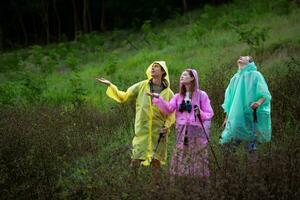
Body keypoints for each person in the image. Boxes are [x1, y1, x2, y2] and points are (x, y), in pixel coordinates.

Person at [96, 61, 175, 185]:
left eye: (157, 67)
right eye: (152, 66)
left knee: (156, 162)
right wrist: (111, 86)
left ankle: (156, 189)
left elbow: (172, 113)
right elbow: (124, 96)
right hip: (142, 131)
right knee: (135, 160)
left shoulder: (169, 93)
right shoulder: (142, 85)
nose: (153, 68)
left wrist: (167, 127)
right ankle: (131, 185)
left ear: (163, 72)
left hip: (158, 132)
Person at [148, 68, 214, 182]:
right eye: (181, 75)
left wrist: (200, 113)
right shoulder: (178, 96)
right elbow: (168, 109)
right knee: (178, 154)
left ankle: (202, 181)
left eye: (185, 75)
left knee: (199, 155)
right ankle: (175, 182)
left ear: (193, 77)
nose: (181, 77)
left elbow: (209, 113)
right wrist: (158, 98)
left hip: (196, 130)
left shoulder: (201, 95)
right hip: (182, 130)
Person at [220, 56, 272, 163]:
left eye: (245, 57)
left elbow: (265, 94)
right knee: (227, 144)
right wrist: (226, 118)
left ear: (250, 62)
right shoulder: (235, 78)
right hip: (236, 117)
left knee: (251, 147)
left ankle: (254, 172)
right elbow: (230, 101)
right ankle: (229, 170)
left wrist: (258, 102)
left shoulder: (255, 75)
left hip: (250, 117)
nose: (240, 57)